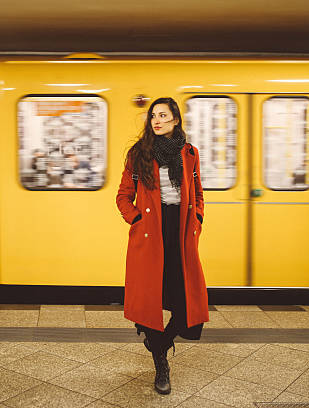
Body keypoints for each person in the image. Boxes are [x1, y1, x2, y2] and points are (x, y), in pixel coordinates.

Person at [116, 97, 209, 395]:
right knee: (152, 301)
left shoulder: (190, 153)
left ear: (176, 120)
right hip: (150, 233)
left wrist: (197, 220)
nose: (156, 121)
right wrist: (136, 220)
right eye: (153, 116)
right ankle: (161, 367)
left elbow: (198, 192)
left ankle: (161, 343)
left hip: (179, 231)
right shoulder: (139, 154)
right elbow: (122, 196)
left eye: (163, 115)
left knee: (186, 305)